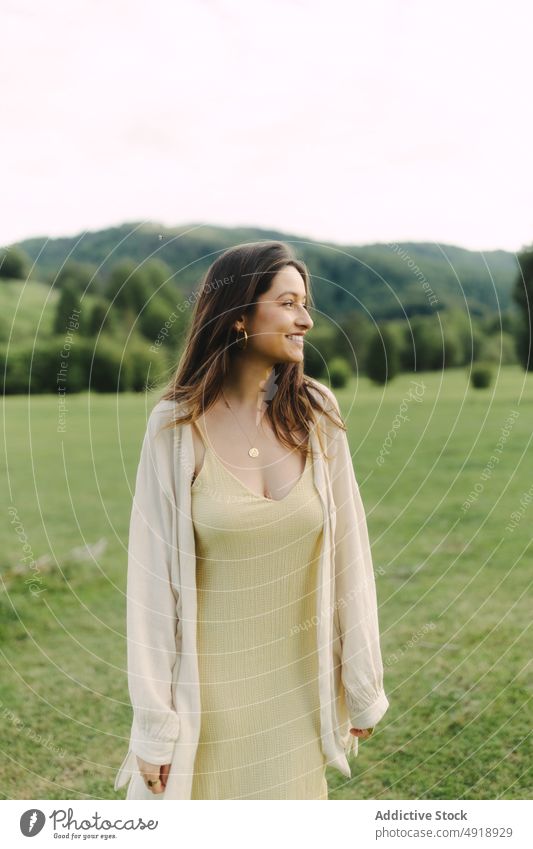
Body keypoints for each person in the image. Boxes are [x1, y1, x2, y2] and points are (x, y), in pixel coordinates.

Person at [114, 241, 389, 800]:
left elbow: (351, 558)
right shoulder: (175, 426)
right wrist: (153, 727)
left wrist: (361, 683)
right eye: (288, 303)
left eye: (305, 304)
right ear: (240, 314)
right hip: (203, 712)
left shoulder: (318, 414)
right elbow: (150, 587)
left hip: (294, 707)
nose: (306, 320)